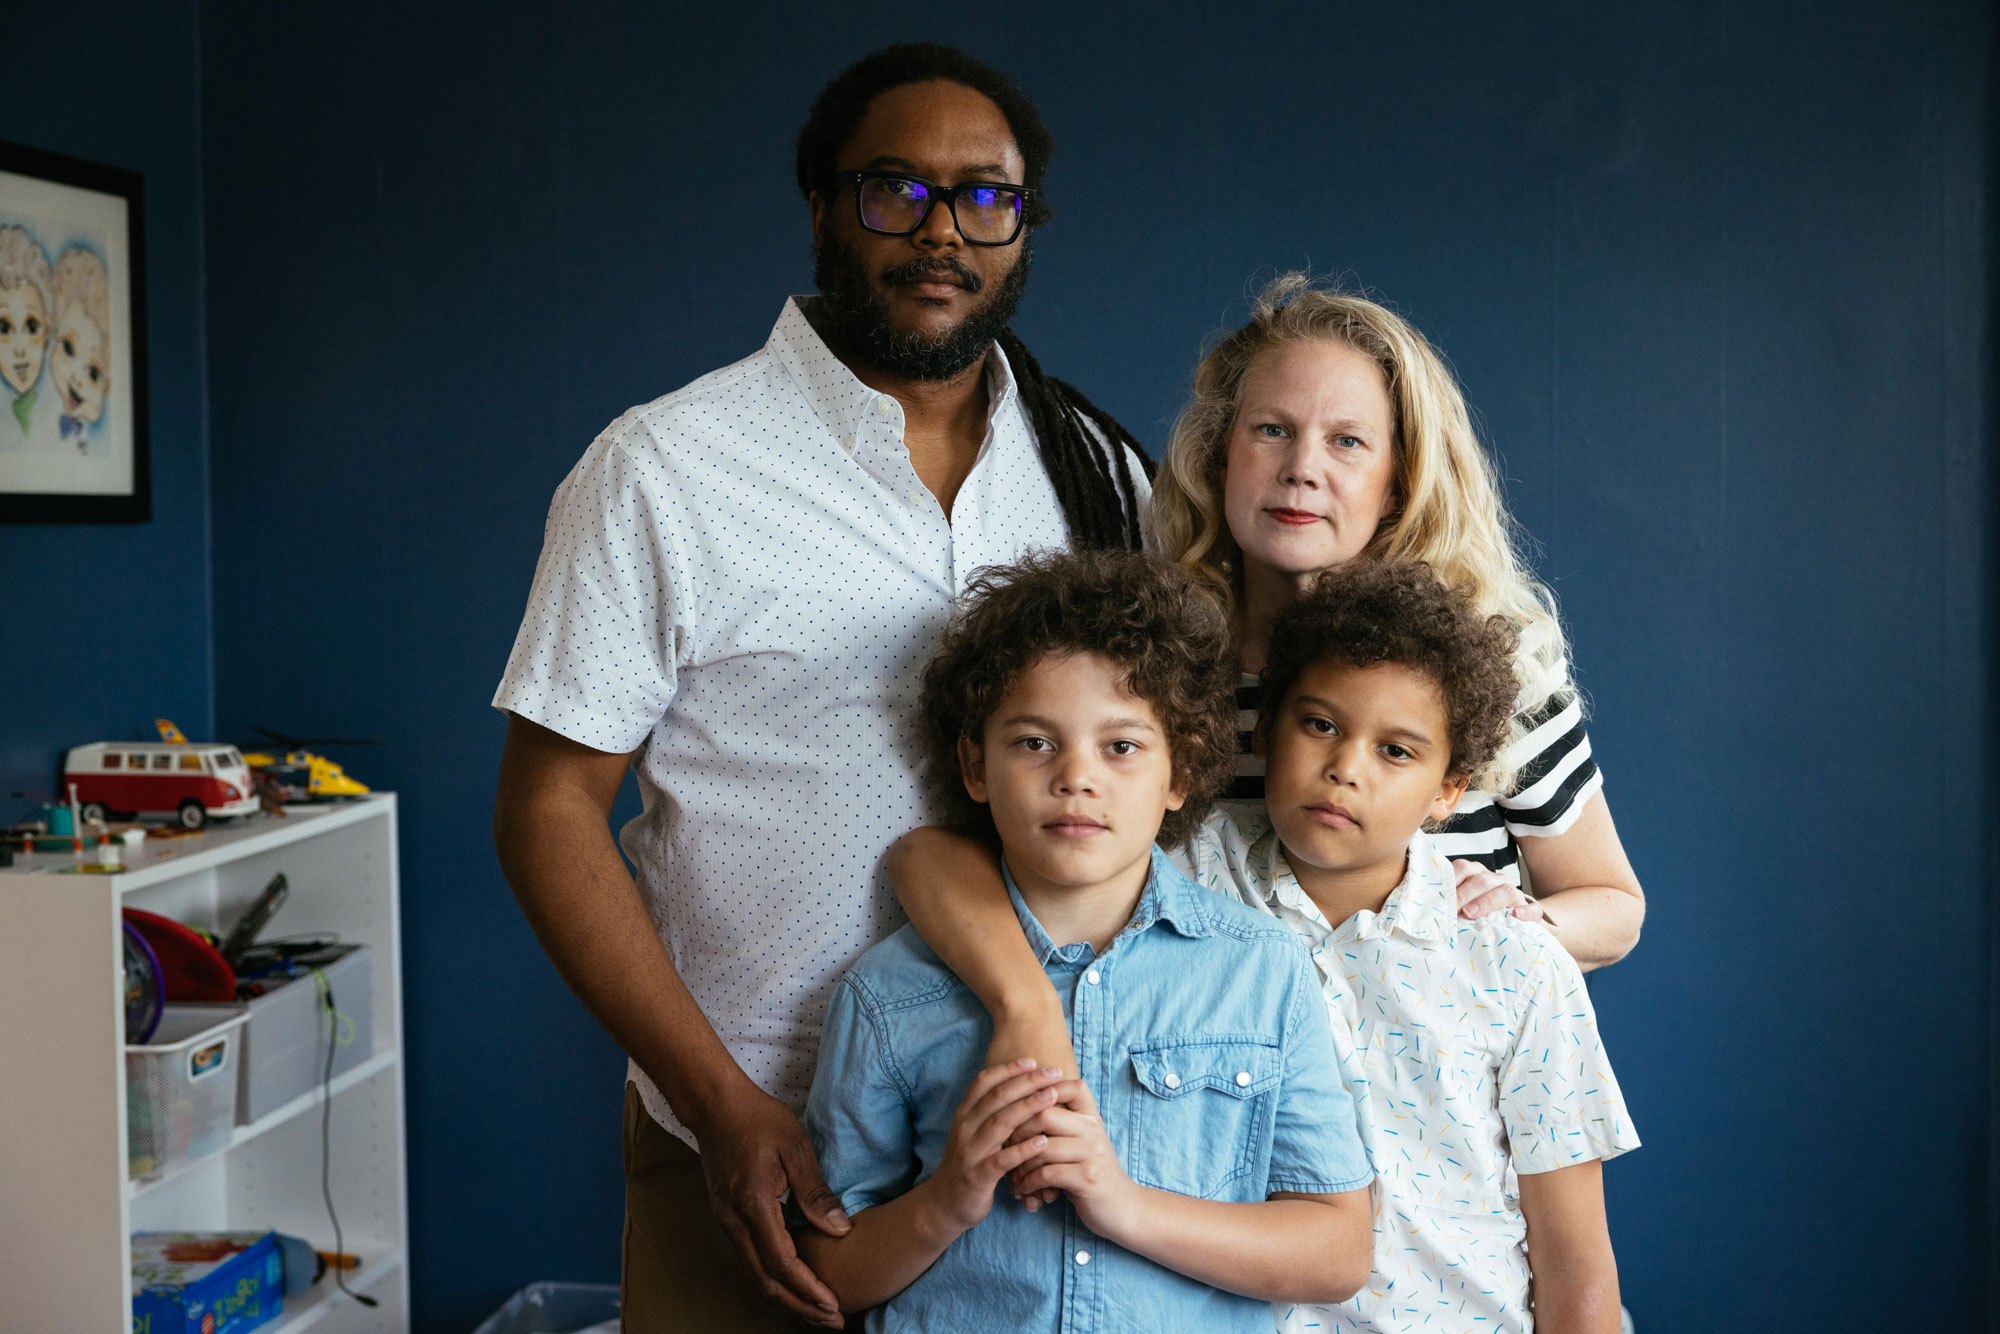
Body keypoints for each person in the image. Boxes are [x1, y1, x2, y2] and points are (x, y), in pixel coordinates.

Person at [490, 43, 1152, 1333]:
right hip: (763, 1149)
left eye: (984, 198)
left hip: (1031, 1151)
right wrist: (721, 1101)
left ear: (1024, 229)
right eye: (894, 190)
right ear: (820, 206)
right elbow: (547, 812)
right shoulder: (665, 470)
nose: (942, 232)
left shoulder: (1093, 474)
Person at [890, 278, 1645, 1088]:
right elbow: (992, 860)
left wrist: (1519, 925)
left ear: (1399, 481)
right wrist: (1023, 1005)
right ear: (1221, 459)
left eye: (1348, 442)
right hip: (1220, 1111)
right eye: (1272, 431)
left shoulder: (1484, 663)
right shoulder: (1159, 669)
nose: (1301, 470)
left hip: (1442, 1131)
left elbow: (1613, 904)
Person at [799, 550, 1374, 1329]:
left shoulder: (1261, 971)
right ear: (974, 764)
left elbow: (1337, 1252)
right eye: (1034, 742)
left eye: (1122, 747)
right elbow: (828, 1271)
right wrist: (948, 1199)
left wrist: (1122, 1203)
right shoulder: (888, 994)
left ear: (1183, 771)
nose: (1076, 777)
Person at [1213, 561, 1637, 1332]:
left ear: (1449, 791)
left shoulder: (1515, 962)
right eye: (1320, 725)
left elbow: (1577, 1264)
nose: (1345, 767)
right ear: (1266, 729)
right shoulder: (1187, 894)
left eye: (1397, 751)